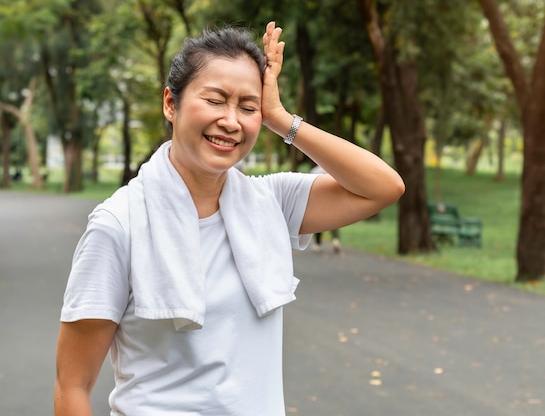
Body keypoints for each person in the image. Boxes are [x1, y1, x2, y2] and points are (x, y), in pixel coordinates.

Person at [54, 21, 404, 416]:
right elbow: (72, 386)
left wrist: (279, 117)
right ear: (171, 103)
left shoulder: (270, 201)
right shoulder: (119, 225)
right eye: (216, 100)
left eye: (248, 107)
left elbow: (383, 187)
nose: (232, 121)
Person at [309, 164, 341, 253]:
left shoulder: (314, 171)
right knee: (334, 221)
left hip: (319, 200)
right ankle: (335, 240)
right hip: (332, 199)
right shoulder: (333, 171)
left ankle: (317, 244)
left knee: (319, 222)